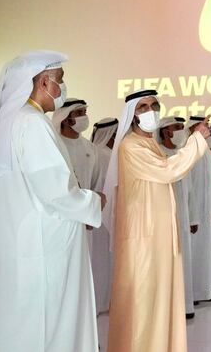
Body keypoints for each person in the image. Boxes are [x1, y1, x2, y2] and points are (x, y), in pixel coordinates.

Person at [0, 50, 105, 352]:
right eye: (59, 81)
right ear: (42, 82)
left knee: (17, 322)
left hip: (18, 242)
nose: (62, 89)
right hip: (43, 245)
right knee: (45, 324)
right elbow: (55, 190)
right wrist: (93, 201)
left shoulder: (8, 123)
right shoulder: (32, 123)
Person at [104, 90, 210, 352]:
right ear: (133, 114)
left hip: (159, 236)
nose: (150, 111)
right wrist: (196, 140)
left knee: (161, 298)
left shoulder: (149, 143)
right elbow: (168, 171)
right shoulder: (130, 146)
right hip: (144, 238)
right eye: (142, 107)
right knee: (144, 300)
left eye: (153, 105)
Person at [156, 116, 197, 319]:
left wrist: (192, 216)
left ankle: (185, 305)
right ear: (165, 131)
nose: (182, 130)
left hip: (183, 216)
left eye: (182, 127)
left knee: (184, 262)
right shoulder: (158, 154)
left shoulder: (180, 154)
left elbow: (189, 190)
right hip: (165, 220)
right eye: (177, 127)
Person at [186, 116, 211, 304]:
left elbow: (209, 184)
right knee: (193, 251)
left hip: (204, 209)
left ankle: (202, 290)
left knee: (204, 250)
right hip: (192, 209)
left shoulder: (204, 150)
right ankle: (193, 293)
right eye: (203, 126)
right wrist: (193, 214)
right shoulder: (187, 149)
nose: (207, 129)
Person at [89, 116, 118, 313]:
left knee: (108, 261)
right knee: (99, 261)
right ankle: (99, 302)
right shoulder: (100, 154)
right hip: (99, 214)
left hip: (112, 212)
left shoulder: (110, 154)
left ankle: (107, 301)